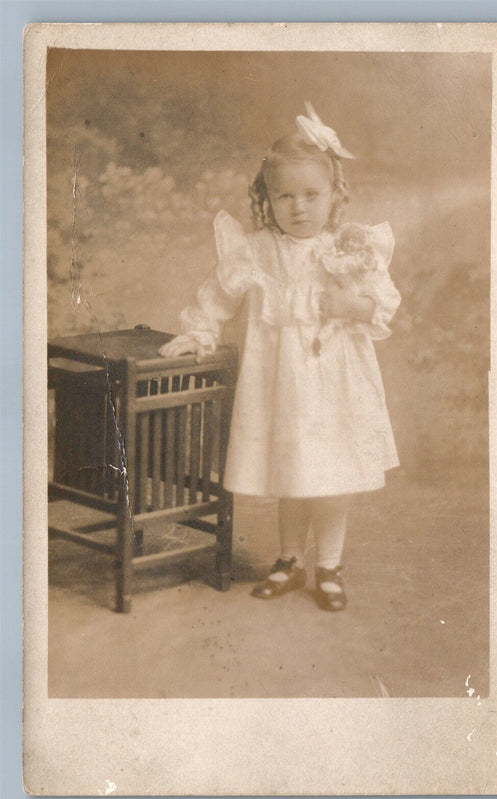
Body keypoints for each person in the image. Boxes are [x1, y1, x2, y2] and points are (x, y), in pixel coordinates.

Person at [159, 103, 401, 611]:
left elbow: (382, 304)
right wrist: (198, 333)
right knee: (294, 469)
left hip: (335, 380)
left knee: (332, 473)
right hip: (281, 382)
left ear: (335, 195)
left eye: (311, 195)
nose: (298, 207)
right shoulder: (257, 248)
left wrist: (348, 303)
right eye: (284, 195)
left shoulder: (351, 246)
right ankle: (289, 560)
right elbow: (217, 295)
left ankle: (330, 566)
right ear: (266, 198)